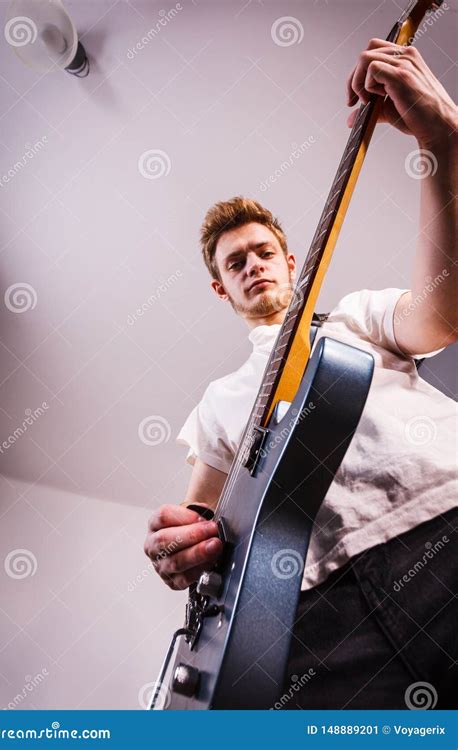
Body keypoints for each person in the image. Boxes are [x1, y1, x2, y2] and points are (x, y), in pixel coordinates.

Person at [144, 38, 457, 708]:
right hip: (313, 612)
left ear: (290, 260)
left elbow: (444, 314)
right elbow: (203, 515)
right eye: (235, 263)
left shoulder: (356, 317)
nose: (253, 264)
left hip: (446, 524)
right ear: (220, 290)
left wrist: (444, 142)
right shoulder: (219, 401)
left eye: (263, 251)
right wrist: (181, 544)